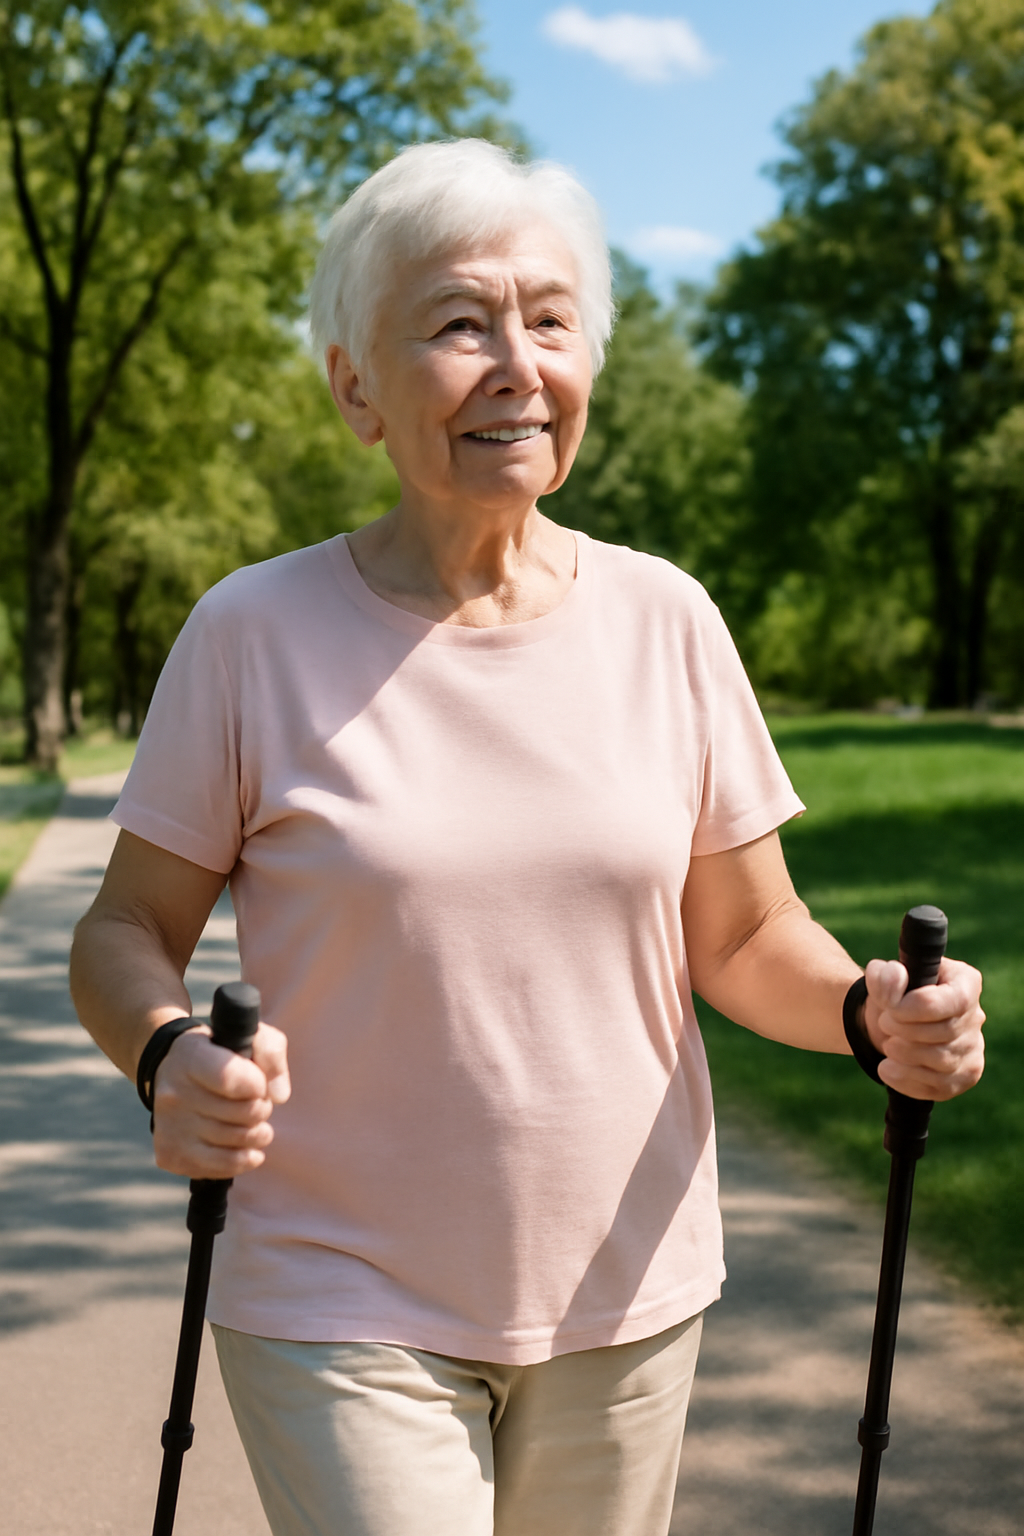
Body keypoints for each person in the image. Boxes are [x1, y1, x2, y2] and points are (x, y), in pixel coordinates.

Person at [70, 140, 985, 1536]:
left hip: (627, 1295)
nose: (516, 365)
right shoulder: (250, 633)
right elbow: (125, 929)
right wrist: (165, 1051)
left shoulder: (668, 620)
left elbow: (745, 935)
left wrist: (871, 1017)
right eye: (458, 323)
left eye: (550, 320)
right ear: (355, 388)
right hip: (332, 1292)